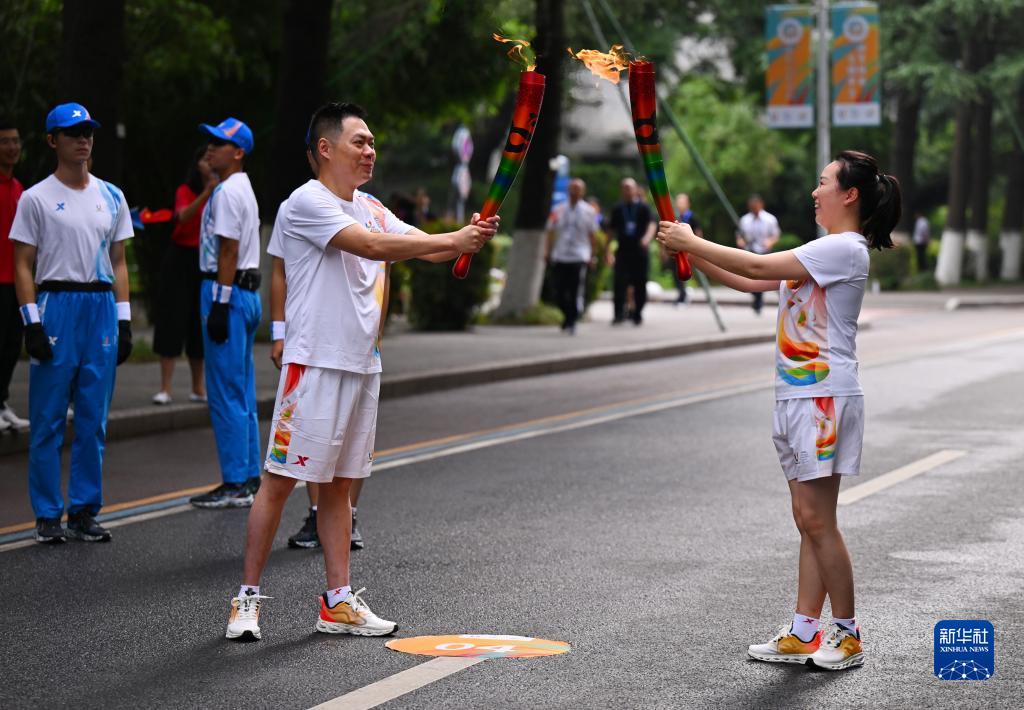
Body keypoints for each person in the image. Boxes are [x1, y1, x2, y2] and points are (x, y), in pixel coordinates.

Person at [224, 101, 496, 641]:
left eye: (373, 143)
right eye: (360, 142)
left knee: (341, 489)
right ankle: (246, 600)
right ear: (326, 148)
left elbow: (414, 246)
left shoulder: (369, 205)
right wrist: (451, 241)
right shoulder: (307, 202)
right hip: (315, 364)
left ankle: (337, 601)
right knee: (280, 481)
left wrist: (465, 235)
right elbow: (371, 246)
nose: (370, 151)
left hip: (361, 364)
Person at [657, 149, 901, 671]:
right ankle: (804, 630)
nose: (815, 191)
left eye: (823, 182)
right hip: (797, 394)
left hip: (823, 397)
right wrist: (688, 252)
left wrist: (690, 240)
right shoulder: (820, 249)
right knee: (807, 519)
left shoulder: (845, 249)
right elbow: (749, 281)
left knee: (818, 519)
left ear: (849, 194)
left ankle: (848, 633)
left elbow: (754, 262)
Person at [10, 103, 134, 543]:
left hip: (99, 306)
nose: (83, 139)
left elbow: (118, 261)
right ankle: (47, 514)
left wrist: (124, 320)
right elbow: (22, 263)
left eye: (88, 132)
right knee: (46, 419)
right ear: (52, 141)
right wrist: (32, 323)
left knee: (93, 418)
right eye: (73, 132)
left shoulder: (111, 195)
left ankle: (83, 510)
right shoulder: (35, 197)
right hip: (57, 303)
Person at [188, 118, 263, 509]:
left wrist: (219, 300)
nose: (210, 149)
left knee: (224, 391)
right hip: (245, 294)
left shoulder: (227, 193)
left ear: (238, 152)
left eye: (219, 143)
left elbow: (228, 250)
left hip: (227, 293)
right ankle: (250, 476)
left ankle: (235, 482)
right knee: (242, 388)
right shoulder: (241, 187)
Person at [152, 147, 216, 405]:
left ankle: (198, 388)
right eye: (204, 158)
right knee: (172, 320)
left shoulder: (224, 192)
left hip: (204, 262)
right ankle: (165, 388)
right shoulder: (186, 191)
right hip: (179, 259)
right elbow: (183, 217)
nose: (209, 162)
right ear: (196, 164)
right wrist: (206, 193)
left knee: (197, 324)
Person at [0, 118, 29, 432]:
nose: (12, 147)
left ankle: (2, 403)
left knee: (11, 346)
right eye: (5, 141)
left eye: (16, 141)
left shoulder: (20, 188)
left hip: (15, 281)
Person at [545, 178, 598, 334]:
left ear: (583, 192)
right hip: (561, 254)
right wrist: (547, 251)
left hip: (579, 255)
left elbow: (593, 235)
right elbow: (550, 231)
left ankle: (571, 320)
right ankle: (567, 315)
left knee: (575, 290)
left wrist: (593, 255)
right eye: (572, 188)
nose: (575, 191)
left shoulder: (589, 211)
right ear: (568, 190)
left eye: (578, 188)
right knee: (559, 290)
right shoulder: (559, 209)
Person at [608, 178, 655, 325]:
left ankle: (637, 313)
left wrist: (646, 239)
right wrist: (607, 251)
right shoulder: (617, 208)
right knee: (619, 283)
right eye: (625, 188)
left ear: (635, 189)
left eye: (630, 187)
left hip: (639, 252)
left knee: (640, 283)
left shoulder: (643, 208)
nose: (627, 190)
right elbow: (610, 231)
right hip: (623, 252)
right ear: (622, 190)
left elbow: (652, 224)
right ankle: (618, 314)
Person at [736, 194, 780, 315]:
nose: (754, 209)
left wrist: (769, 242)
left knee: (760, 277)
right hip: (750, 250)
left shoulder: (770, 219)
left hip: (763, 251)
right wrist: (740, 241)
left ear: (761, 205)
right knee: (749, 276)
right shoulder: (745, 219)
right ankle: (756, 298)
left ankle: (758, 301)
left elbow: (775, 235)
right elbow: (740, 234)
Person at [667, 193, 701, 306]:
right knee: (676, 274)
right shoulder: (675, 218)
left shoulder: (692, 217)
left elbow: (698, 234)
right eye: (678, 201)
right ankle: (682, 294)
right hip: (676, 252)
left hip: (690, 251)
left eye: (682, 201)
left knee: (689, 272)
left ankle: (685, 294)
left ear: (688, 203)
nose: (679, 204)